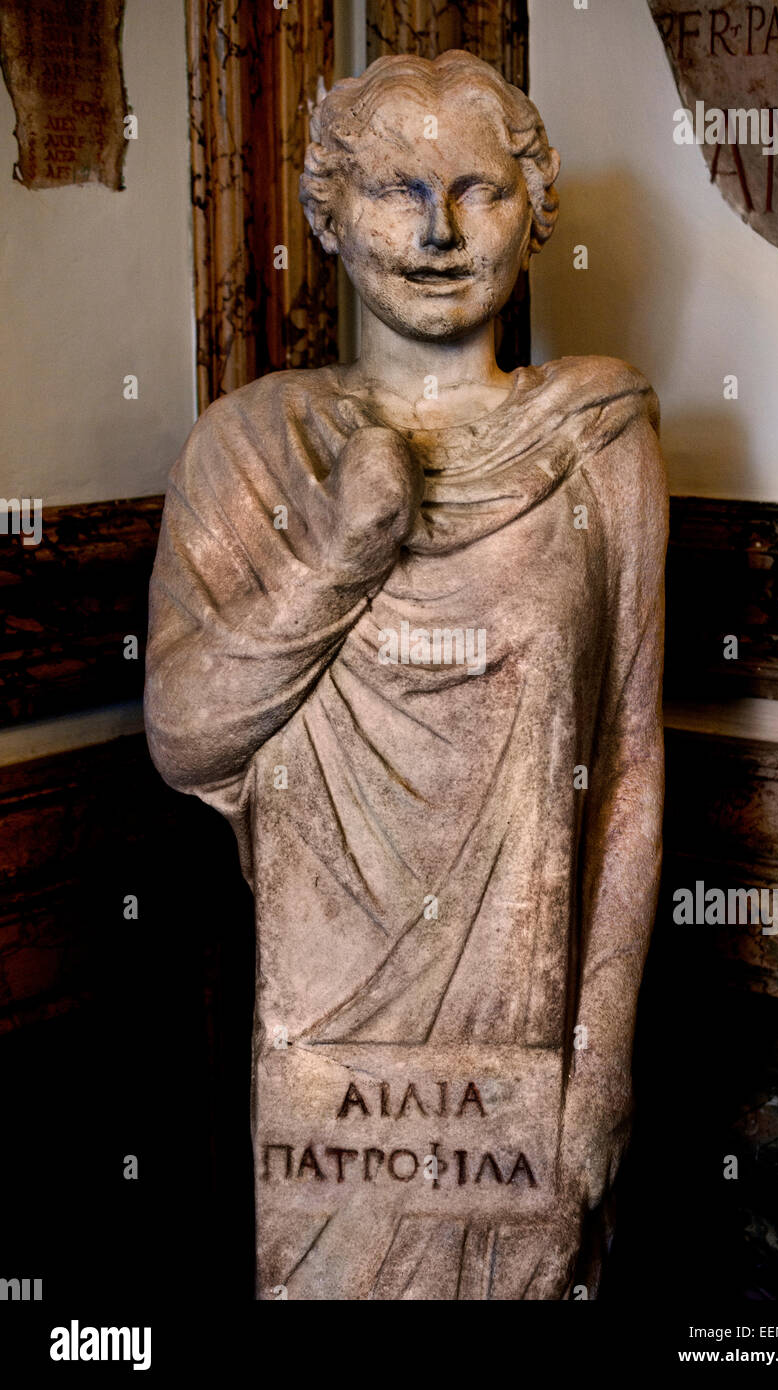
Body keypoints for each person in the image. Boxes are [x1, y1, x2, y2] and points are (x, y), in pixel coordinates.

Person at [145, 50, 667, 1300]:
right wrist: (337, 546)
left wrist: (598, 1063)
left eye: (477, 191)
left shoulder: (596, 438)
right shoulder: (249, 446)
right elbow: (184, 734)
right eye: (392, 190)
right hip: (323, 1062)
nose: (437, 233)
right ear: (327, 215)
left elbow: (631, 763)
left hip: (526, 1046)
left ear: (532, 212)